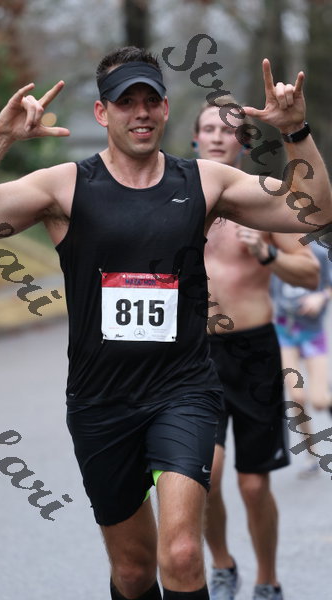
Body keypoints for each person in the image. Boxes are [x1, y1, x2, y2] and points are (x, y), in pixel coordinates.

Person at [0, 46, 331, 600]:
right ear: (103, 113)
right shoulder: (64, 186)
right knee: (133, 571)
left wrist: (295, 132)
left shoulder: (204, 181)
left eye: (150, 100)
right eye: (125, 102)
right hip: (101, 401)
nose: (140, 112)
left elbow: (312, 212)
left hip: (183, 390)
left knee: (183, 555)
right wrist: (0, 135)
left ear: (165, 108)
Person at [192, 96, 320, 600]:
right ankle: (222, 564)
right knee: (203, 475)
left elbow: (309, 274)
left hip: (253, 353)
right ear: (196, 139)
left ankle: (267, 579)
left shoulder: (265, 197)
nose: (218, 136)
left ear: (243, 143)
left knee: (252, 484)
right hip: (194, 355)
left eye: (229, 129)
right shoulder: (177, 199)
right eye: (208, 128)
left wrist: (265, 252)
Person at [271, 241, 332, 478]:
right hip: (285, 332)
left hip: (312, 332)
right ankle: (311, 456)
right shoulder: (272, 252)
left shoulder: (318, 252)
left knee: (318, 401)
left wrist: (321, 297)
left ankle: (324, 393)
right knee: (297, 397)